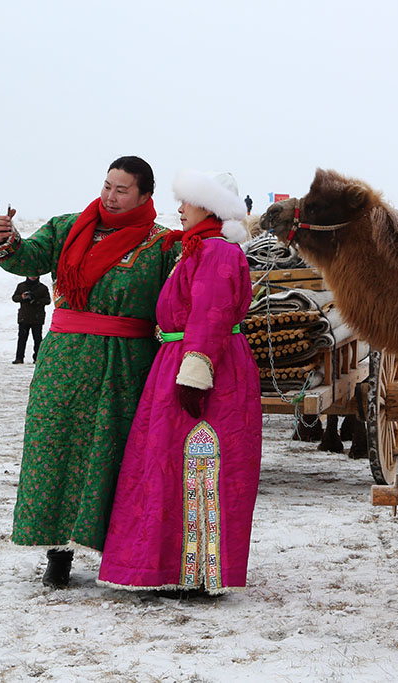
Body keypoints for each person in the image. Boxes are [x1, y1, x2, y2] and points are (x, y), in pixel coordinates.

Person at [0, 156, 178, 588]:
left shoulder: (164, 245)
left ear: (145, 195)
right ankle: (58, 553)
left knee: (117, 455)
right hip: (64, 363)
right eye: (107, 185)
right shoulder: (68, 227)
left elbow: (185, 296)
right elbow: (24, 257)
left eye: (121, 189)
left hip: (126, 368)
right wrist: (6, 239)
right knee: (55, 451)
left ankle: (120, 555)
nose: (110, 195)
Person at [99, 169, 261, 594]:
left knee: (197, 463)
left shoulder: (218, 253)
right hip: (182, 360)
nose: (180, 209)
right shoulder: (199, 249)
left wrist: (196, 370)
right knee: (166, 464)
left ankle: (195, 573)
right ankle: (170, 568)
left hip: (207, 369)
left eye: (187, 201)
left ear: (209, 207)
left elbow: (211, 311)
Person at [11, 275, 51, 364]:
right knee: (22, 338)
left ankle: (37, 358)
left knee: (37, 339)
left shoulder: (42, 288)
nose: (33, 277)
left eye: (35, 275)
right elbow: (14, 298)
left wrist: (36, 300)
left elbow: (47, 301)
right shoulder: (21, 286)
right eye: (31, 275)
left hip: (37, 317)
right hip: (24, 317)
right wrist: (22, 297)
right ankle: (19, 358)